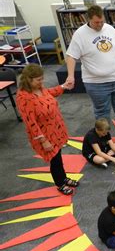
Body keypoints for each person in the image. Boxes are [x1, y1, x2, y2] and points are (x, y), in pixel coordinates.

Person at [65, 5, 115, 133]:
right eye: (96, 22)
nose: (100, 25)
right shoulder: (80, 34)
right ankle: (104, 134)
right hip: (96, 83)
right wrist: (70, 76)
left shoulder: (109, 28)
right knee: (102, 110)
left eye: (101, 21)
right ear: (88, 19)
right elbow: (71, 56)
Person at [17, 64, 78, 195]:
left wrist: (63, 86)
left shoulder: (39, 88)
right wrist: (43, 140)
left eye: (42, 79)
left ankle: (64, 178)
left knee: (58, 156)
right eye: (38, 80)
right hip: (44, 134)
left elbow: (49, 93)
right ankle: (60, 183)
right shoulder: (23, 97)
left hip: (56, 129)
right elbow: (30, 122)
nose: (41, 82)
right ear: (28, 79)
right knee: (54, 160)